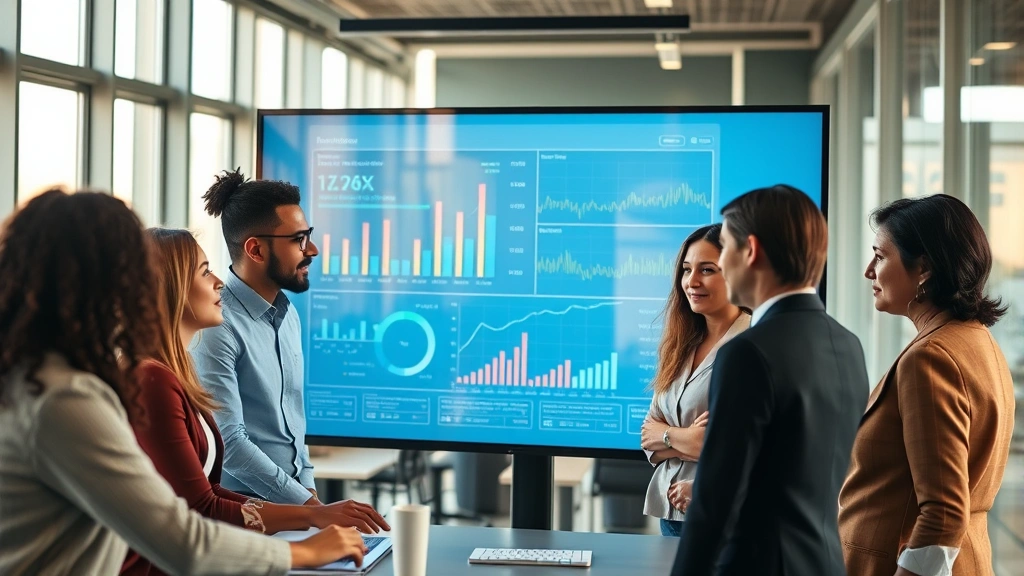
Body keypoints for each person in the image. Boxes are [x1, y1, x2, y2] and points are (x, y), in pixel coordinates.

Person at [0, 189, 366, 575]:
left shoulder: (43, 381)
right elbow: (184, 539)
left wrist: (309, 516)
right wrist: (306, 550)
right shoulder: (65, 400)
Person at [122, 228, 390, 575]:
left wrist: (313, 515)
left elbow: (210, 491)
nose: (218, 282)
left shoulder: (174, 375)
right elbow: (201, 508)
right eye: (204, 272)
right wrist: (308, 525)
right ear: (172, 289)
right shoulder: (151, 380)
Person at [671, 184, 870, 576]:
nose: (723, 264)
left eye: (725, 249)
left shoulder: (747, 353)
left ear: (752, 252)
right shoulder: (849, 345)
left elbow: (715, 503)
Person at [839, 195, 1014, 576]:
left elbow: (944, 513)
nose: (869, 271)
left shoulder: (930, 357)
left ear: (924, 269)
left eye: (880, 256)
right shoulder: (978, 340)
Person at [192, 168, 327, 505]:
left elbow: (294, 425)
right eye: (298, 239)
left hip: (294, 508)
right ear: (255, 250)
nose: (312, 249)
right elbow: (230, 444)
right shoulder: (216, 325)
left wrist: (308, 494)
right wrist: (310, 509)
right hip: (244, 511)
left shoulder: (287, 313)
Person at [640, 224, 749, 537]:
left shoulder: (755, 344)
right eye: (687, 270)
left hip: (724, 517)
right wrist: (686, 438)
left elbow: (748, 447)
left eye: (707, 269)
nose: (692, 281)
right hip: (671, 516)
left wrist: (671, 438)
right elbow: (648, 435)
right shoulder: (680, 344)